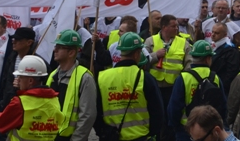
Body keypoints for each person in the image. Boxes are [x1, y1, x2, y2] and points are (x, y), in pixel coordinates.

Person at [95, 32, 163, 141]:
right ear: (137, 54)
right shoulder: (146, 78)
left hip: (111, 137)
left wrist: (103, 132)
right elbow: (158, 113)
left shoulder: (103, 77)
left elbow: (96, 111)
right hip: (140, 137)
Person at [0, 56, 64, 141]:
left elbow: (1, 123)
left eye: (20, 77)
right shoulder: (54, 100)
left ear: (30, 81)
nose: (17, 80)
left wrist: (14, 93)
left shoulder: (19, 102)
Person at [145, 13, 191, 141]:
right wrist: (155, 55)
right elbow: (142, 60)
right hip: (155, 87)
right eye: (173, 26)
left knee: (172, 117)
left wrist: (183, 81)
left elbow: (189, 64)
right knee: (157, 116)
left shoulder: (184, 43)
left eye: (177, 26)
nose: (177, 28)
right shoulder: (150, 41)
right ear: (164, 27)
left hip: (174, 87)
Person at [168, 41, 225, 141]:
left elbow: (174, 108)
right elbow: (223, 105)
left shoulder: (183, 78)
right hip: (209, 132)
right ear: (208, 59)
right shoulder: (216, 78)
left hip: (186, 130)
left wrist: (176, 127)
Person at [46, 29, 97, 141]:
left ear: (71, 52)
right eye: (56, 46)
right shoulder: (53, 76)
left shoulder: (85, 77)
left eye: (59, 47)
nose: (55, 50)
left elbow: (87, 115)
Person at [0, 27, 39, 108]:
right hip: (9, 104)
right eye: (14, 39)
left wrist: (22, 86)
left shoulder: (37, 63)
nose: (14, 42)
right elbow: (5, 81)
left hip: (27, 106)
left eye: (18, 40)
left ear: (29, 42)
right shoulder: (11, 58)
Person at [210, 22, 240, 95]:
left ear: (225, 35)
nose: (213, 35)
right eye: (212, 32)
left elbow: (231, 73)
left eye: (217, 33)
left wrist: (220, 87)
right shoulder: (213, 45)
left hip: (222, 89)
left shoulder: (231, 50)